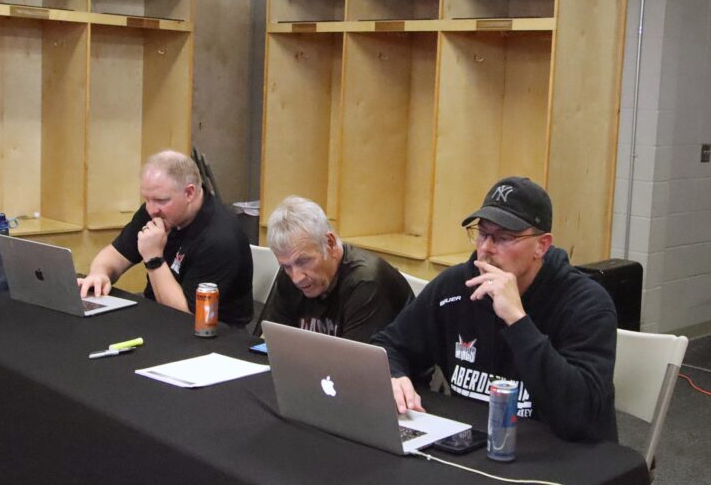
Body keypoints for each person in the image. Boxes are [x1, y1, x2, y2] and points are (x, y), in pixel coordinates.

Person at [372, 177, 618, 442]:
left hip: (561, 453)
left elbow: (579, 413)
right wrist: (394, 376)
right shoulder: (456, 286)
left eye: (504, 237)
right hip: (474, 442)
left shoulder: (586, 303)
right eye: (483, 233)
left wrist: (517, 320)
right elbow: (389, 346)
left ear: (541, 245)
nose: (486, 248)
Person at [78, 150, 253, 326]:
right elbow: (115, 255)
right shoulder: (157, 212)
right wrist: (99, 274)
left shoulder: (220, 238)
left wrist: (153, 259)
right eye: (147, 199)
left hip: (214, 333)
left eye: (161, 200)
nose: (151, 209)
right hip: (157, 315)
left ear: (189, 193)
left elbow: (185, 318)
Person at [263, 196, 413, 343]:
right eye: (286, 266)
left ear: (330, 243)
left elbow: (354, 362)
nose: (296, 278)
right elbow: (274, 342)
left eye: (303, 261)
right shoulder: (291, 272)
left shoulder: (367, 282)